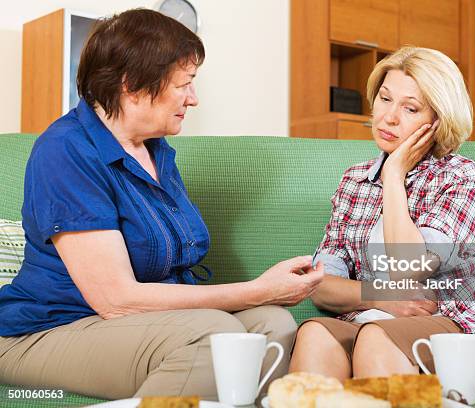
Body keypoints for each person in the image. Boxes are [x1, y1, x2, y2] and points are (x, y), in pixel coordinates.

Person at [0, 9, 323, 400]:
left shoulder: (156, 150)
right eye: (184, 84)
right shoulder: (66, 150)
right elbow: (116, 301)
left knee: (273, 325)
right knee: (214, 335)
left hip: (145, 324)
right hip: (49, 330)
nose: (194, 99)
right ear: (132, 84)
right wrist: (257, 289)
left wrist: (267, 296)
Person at [289, 46, 475, 382]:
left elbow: (412, 267)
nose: (389, 117)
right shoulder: (354, 180)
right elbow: (320, 286)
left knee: (377, 338)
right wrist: (384, 298)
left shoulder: (465, 177)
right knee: (315, 333)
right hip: (369, 321)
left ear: (437, 121)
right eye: (385, 99)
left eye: (411, 108)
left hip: (457, 331)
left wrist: (392, 177)